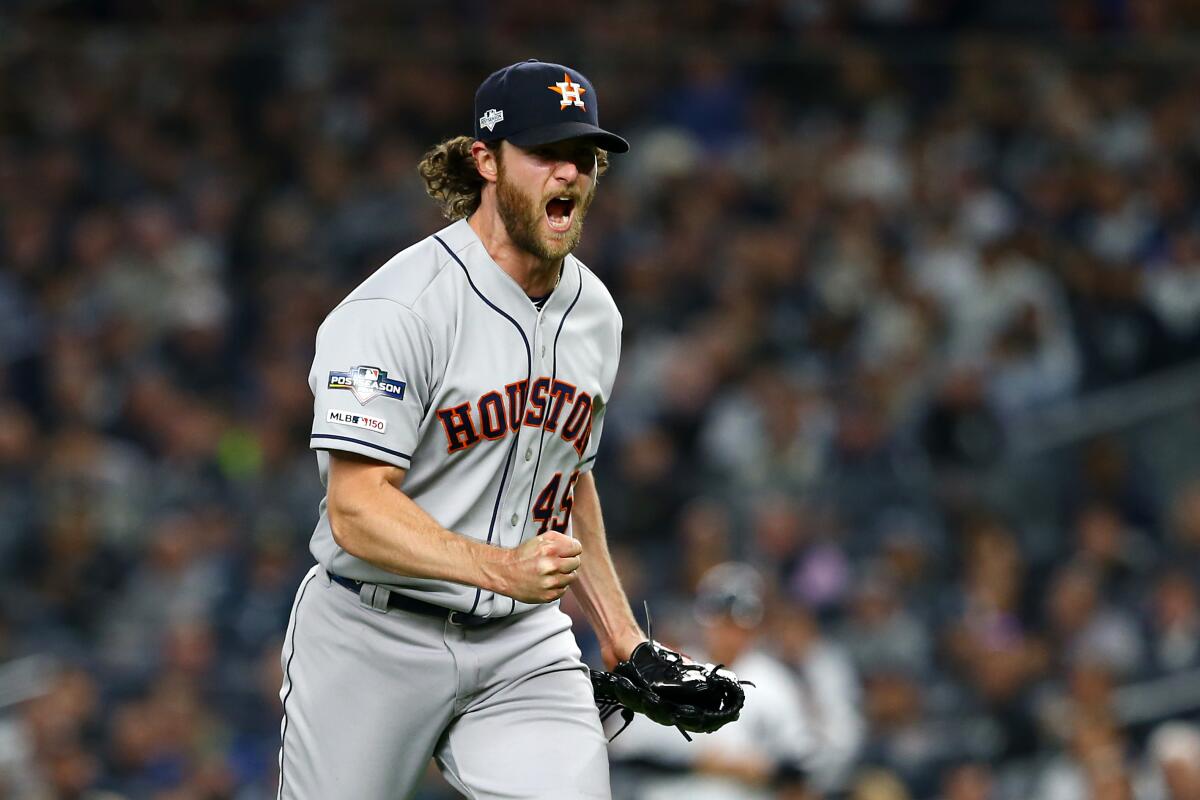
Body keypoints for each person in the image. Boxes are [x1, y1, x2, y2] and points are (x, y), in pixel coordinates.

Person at [276, 59, 646, 799]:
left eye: (584, 157)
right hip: (372, 633)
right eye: (545, 153)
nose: (567, 174)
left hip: (524, 646)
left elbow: (565, 476)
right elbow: (355, 509)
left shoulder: (596, 313)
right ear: (485, 160)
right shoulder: (398, 309)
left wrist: (620, 634)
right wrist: (499, 567)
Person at [608, 563, 812, 800]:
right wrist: (695, 761)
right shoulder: (668, 669)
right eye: (721, 621)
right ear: (704, 620)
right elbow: (627, 754)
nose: (728, 632)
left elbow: (800, 767)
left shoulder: (776, 683)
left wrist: (765, 770)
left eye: (737, 623)